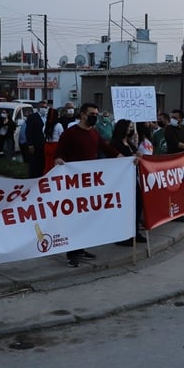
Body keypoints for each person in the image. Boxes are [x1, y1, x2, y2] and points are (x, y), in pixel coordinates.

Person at [54, 103, 123, 267]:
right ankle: (72, 253)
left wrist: (122, 157)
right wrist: (59, 160)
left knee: (85, 218)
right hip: (73, 184)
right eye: (92, 114)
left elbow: (106, 148)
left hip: (88, 184)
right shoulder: (70, 133)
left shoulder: (93, 133)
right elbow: (59, 152)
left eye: (97, 114)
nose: (96, 117)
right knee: (73, 219)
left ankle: (80, 248)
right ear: (83, 115)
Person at [23, 100, 47, 178]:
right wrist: (30, 145)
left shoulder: (47, 118)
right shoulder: (33, 117)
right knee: (34, 165)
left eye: (45, 107)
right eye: (42, 107)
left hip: (44, 145)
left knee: (42, 164)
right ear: (38, 108)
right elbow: (28, 131)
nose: (44, 108)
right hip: (35, 145)